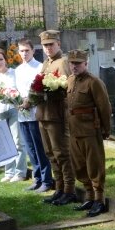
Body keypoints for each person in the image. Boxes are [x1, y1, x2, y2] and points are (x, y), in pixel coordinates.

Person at [66, 50, 112, 217]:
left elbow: (104, 107)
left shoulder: (94, 82)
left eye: (78, 63)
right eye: (72, 63)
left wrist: (106, 129)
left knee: (95, 165)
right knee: (79, 165)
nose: (74, 66)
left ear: (86, 64)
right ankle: (89, 196)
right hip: (74, 130)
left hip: (90, 130)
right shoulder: (70, 80)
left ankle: (99, 200)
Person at [37, 30, 77, 206]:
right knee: (50, 153)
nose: (48, 48)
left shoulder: (63, 62)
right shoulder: (46, 63)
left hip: (57, 115)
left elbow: (70, 88)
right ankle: (59, 188)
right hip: (44, 114)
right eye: (45, 45)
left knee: (62, 153)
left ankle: (69, 189)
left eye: (51, 44)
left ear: (58, 44)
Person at [15, 38, 54, 193]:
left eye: (27, 51)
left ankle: (46, 179)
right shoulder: (17, 70)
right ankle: (37, 178)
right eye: (21, 51)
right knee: (29, 147)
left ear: (33, 51)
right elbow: (16, 89)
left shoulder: (39, 67)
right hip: (22, 113)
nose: (24, 54)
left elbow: (40, 90)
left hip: (35, 111)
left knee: (39, 147)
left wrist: (29, 101)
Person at [0, 48, 26, 182]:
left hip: (14, 110)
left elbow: (20, 90)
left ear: (6, 60)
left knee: (17, 141)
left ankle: (20, 172)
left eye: (1, 59)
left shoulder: (14, 73)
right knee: (4, 144)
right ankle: (9, 172)